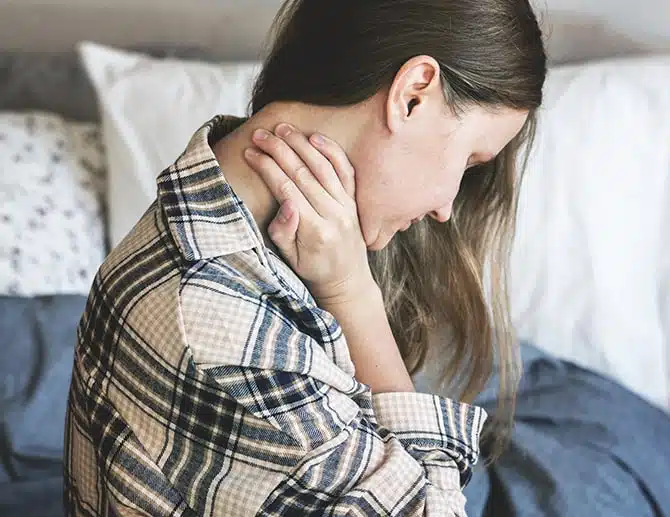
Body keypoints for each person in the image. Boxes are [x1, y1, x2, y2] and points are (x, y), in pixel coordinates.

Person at [63, 0, 546, 515]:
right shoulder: (228, 338)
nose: (446, 208)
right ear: (412, 96)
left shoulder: (199, 199)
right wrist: (355, 297)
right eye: (469, 161)